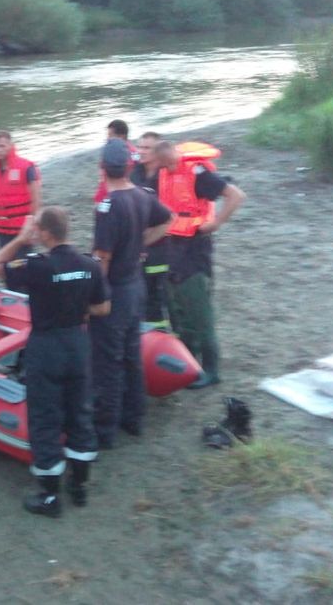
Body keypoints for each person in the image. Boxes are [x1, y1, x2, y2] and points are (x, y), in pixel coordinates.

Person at [0, 207, 109, 517]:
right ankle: (79, 486)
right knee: (80, 413)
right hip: (77, 346)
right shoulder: (89, 264)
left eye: (38, 229)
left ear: (45, 233)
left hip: (46, 348)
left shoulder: (35, 266)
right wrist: (79, 309)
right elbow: (103, 308)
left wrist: (19, 238)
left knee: (45, 419)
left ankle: (50, 497)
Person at [90, 138, 171, 448]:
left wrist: (97, 297)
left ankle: (105, 430)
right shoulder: (143, 195)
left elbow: (103, 258)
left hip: (117, 291)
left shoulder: (108, 207)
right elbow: (168, 220)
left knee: (107, 363)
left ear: (102, 169)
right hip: (136, 287)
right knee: (131, 355)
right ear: (128, 166)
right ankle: (135, 418)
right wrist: (140, 243)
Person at [154, 140, 246, 388]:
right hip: (173, 248)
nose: (169, 168)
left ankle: (212, 370)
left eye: (171, 163)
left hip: (195, 252)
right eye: (165, 165)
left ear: (176, 156)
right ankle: (189, 362)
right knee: (181, 313)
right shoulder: (163, 174)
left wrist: (216, 223)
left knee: (201, 315)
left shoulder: (198, 173)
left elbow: (235, 195)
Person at [130, 131, 171, 329]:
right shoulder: (135, 173)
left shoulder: (167, 176)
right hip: (139, 245)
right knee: (141, 294)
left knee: (159, 296)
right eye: (139, 147)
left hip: (163, 244)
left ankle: (161, 333)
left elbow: (171, 215)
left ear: (159, 152)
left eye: (147, 148)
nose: (141, 152)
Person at [93, 119, 141, 204]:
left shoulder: (113, 152)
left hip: (111, 193)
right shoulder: (135, 151)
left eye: (110, 135)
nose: (107, 138)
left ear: (121, 136)